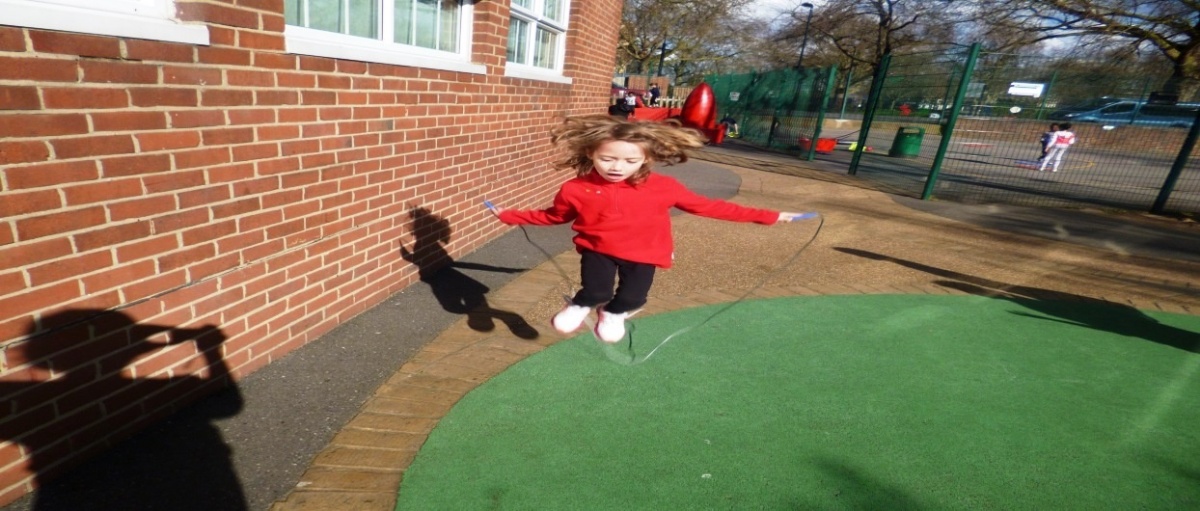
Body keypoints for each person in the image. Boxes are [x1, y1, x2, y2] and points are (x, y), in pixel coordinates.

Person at [488, 115, 808, 343]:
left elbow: (710, 207)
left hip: (645, 253)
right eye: (608, 159)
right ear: (591, 153)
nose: (617, 167)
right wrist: (511, 216)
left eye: (630, 161)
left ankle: (613, 314)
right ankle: (580, 305)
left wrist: (769, 216)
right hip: (598, 250)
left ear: (646, 158)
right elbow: (554, 216)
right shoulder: (576, 189)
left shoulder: (663, 187)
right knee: (597, 291)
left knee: (632, 298)